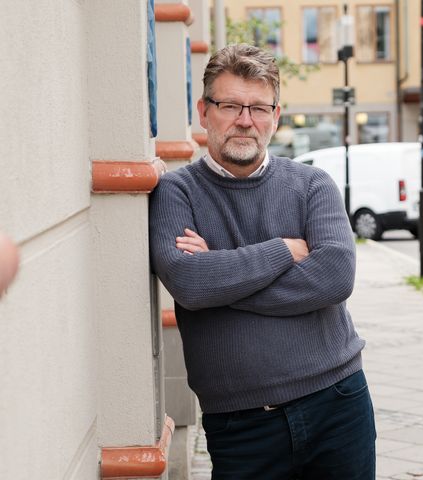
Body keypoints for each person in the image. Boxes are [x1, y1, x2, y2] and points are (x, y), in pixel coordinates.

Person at [149, 44, 375, 479]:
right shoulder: (175, 193)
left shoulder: (312, 185)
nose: (245, 120)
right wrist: (284, 251)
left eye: (258, 107)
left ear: (276, 115)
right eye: (230, 105)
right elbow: (191, 285)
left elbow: (334, 277)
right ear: (204, 111)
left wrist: (221, 272)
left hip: (338, 404)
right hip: (241, 427)